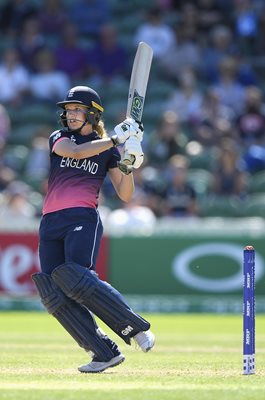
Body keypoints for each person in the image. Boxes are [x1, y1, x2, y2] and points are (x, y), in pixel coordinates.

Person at [31, 85, 155, 373]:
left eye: (77, 109)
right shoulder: (61, 137)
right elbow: (74, 152)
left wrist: (130, 164)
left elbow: (125, 194)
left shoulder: (107, 149)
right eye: (69, 110)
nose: (70, 114)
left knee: (75, 278)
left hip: (82, 217)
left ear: (92, 113)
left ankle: (136, 328)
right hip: (50, 220)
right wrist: (115, 139)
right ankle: (103, 353)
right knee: (52, 291)